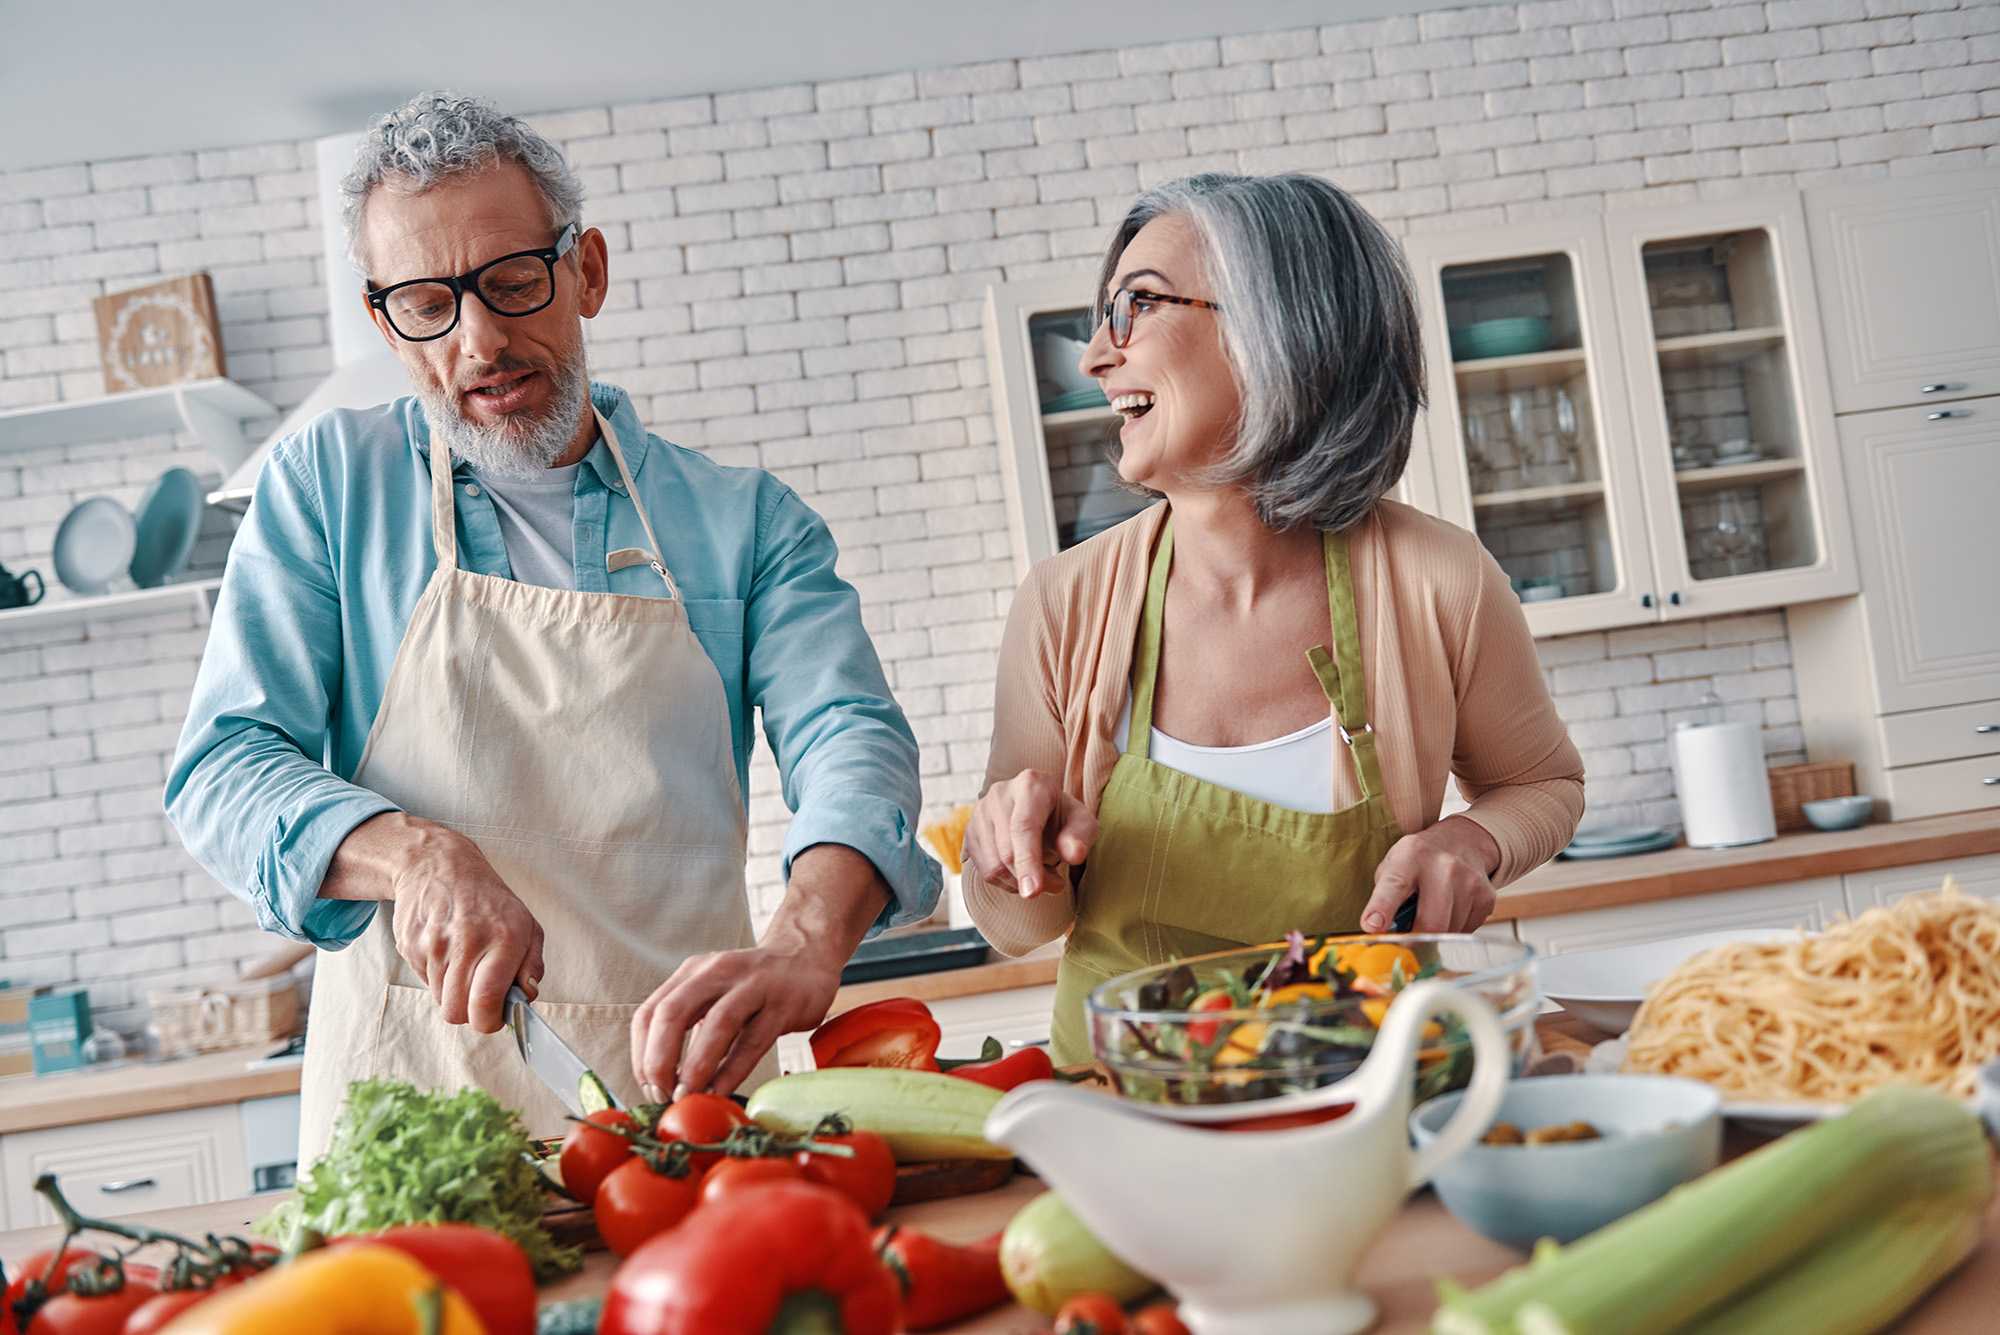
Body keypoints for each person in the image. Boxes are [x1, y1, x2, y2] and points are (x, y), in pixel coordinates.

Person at [165, 93, 939, 1161]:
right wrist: (416, 857)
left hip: (685, 1117)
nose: (480, 341)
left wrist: (808, 938)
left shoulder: (746, 524)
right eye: (427, 304)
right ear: (386, 321)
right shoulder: (329, 486)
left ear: (586, 273)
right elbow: (222, 766)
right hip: (414, 1117)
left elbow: (849, 738)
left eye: (512, 282)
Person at [961, 173, 1585, 1064]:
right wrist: (1009, 854)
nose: (1098, 355)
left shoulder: (1438, 579)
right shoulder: (1064, 604)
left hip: (1368, 1093)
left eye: (1136, 306)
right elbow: (1019, 928)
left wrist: (1470, 838)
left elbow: (1546, 785)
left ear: (1275, 334)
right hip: (1127, 1106)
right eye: (1104, 316)